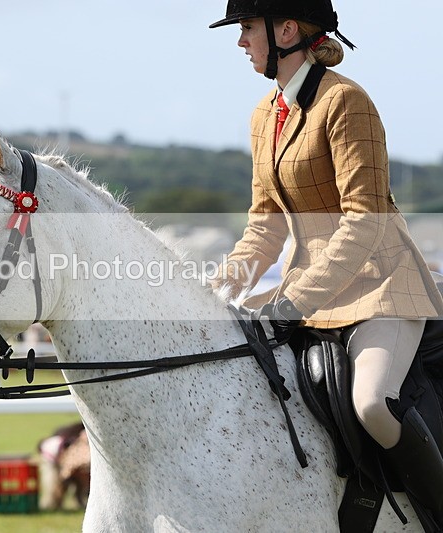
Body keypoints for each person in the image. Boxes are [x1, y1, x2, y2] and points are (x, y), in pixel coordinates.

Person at [209, 0, 443, 525]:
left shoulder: (346, 101)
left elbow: (365, 221)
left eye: (247, 28)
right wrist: (218, 287)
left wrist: (296, 298)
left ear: (286, 29)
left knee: (373, 405)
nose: (241, 41)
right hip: (307, 294)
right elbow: (265, 226)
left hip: (382, 287)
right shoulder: (263, 115)